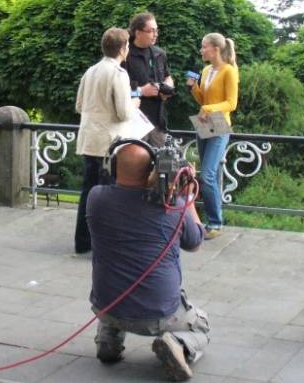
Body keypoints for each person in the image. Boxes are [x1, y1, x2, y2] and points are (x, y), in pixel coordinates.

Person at [86, 143, 210, 381]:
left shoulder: (96, 198)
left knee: (118, 284)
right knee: (201, 325)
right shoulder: (172, 206)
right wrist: (186, 197)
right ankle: (177, 343)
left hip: (106, 305)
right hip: (159, 314)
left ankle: (108, 339)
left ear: (112, 167)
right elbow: (195, 242)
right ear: (152, 169)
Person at [74, 27, 140, 254]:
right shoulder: (118, 74)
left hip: (89, 139)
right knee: (108, 195)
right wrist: (134, 103)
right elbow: (124, 113)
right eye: (127, 46)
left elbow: (79, 105)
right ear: (122, 49)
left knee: (88, 192)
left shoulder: (90, 71)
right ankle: (104, 244)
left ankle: (82, 242)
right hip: (109, 143)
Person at [187, 33, 238, 240]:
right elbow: (203, 99)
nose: (201, 50)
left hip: (219, 123)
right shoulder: (206, 70)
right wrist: (193, 88)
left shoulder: (229, 71)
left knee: (207, 175)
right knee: (210, 174)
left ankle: (215, 223)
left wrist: (208, 108)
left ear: (216, 49)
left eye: (204, 46)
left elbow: (231, 103)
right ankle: (211, 222)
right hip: (205, 122)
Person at [124, 12, 174, 132]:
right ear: (138, 33)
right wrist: (141, 91)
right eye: (151, 31)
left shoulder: (159, 53)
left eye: (156, 30)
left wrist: (167, 86)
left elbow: (167, 77)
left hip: (158, 122)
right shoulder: (124, 55)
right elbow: (116, 93)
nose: (155, 34)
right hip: (135, 123)